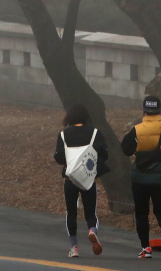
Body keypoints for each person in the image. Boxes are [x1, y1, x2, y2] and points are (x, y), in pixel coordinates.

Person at [121, 94, 161, 259]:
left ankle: (146, 248)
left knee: (141, 213)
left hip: (140, 180)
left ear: (144, 111)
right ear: (160, 110)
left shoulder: (137, 129)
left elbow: (125, 149)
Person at [53, 103, 108, 258]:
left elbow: (58, 157)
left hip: (70, 178)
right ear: (86, 117)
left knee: (71, 213)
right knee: (91, 213)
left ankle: (74, 248)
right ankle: (92, 231)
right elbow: (104, 154)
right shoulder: (95, 133)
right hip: (89, 179)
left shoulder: (64, 134)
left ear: (70, 117)